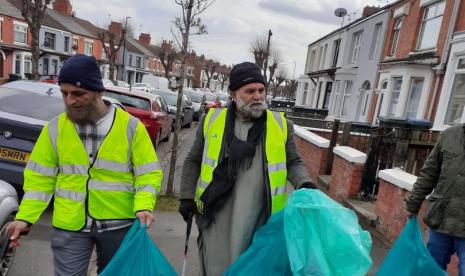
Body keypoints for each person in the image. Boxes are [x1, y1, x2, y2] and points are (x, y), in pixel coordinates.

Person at [6, 54, 163, 275]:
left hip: (118, 224)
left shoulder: (131, 128)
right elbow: (40, 179)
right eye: (65, 93)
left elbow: (148, 173)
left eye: (78, 93)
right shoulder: (54, 129)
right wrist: (25, 217)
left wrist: (144, 205)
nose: (70, 100)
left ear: (99, 91)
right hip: (70, 225)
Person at [179, 61, 314, 275]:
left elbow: (293, 162)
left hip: (262, 219)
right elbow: (193, 160)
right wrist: (186, 197)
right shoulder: (211, 120)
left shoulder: (280, 125)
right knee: (219, 270)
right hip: (217, 218)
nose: (258, 96)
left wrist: (305, 184)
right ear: (233, 94)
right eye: (250, 91)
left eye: (261, 90)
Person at [405, 125, 465, 274]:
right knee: (430, 269)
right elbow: (429, 173)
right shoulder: (449, 135)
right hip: (441, 218)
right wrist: (413, 204)